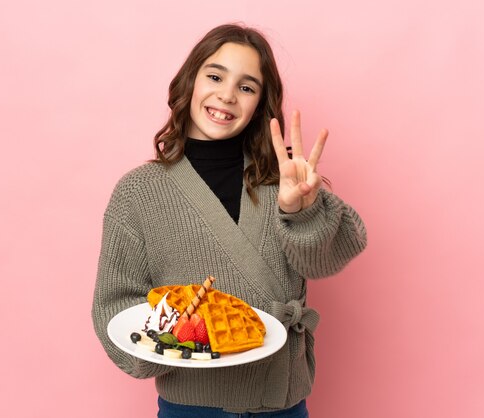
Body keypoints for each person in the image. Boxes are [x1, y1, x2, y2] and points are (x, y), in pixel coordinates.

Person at [92, 23, 367, 417]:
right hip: (192, 406)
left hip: (282, 403)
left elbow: (330, 256)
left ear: (260, 103)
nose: (227, 95)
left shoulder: (284, 177)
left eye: (247, 86)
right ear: (190, 80)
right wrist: (173, 346)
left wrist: (301, 210)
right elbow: (114, 304)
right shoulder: (138, 193)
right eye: (216, 76)